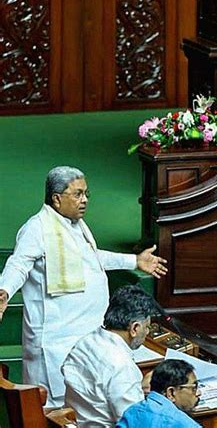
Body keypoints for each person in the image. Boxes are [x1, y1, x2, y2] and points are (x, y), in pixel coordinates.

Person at [0, 165, 167, 407]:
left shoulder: (76, 224)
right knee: (53, 406)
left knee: (82, 403)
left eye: (86, 193)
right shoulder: (36, 229)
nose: (85, 200)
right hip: (56, 339)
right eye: (77, 194)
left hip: (85, 334)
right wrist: (4, 290)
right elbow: (19, 264)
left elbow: (90, 257)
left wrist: (134, 261)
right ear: (57, 199)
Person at [62, 284, 158, 427]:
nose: (148, 332)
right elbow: (135, 423)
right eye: (147, 327)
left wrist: (137, 386)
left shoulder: (85, 342)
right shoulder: (121, 365)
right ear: (134, 328)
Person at [116, 359, 202, 428]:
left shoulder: (132, 411)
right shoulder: (185, 424)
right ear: (171, 393)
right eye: (194, 388)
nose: (198, 393)